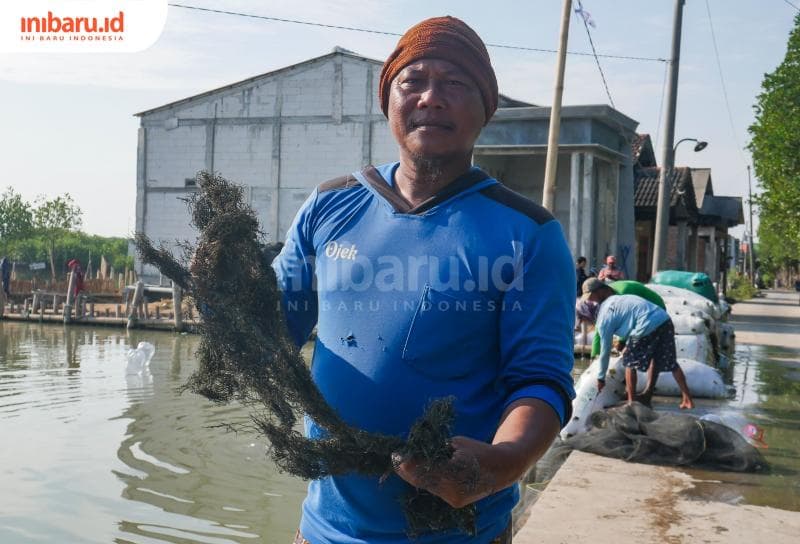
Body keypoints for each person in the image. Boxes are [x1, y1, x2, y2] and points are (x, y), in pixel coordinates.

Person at [273, 16, 576, 544]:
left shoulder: (527, 233)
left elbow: (541, 381)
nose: (431, 98)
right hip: (324, 530)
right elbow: (275, 329)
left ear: (485, 109)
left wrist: (504, 461)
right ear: (388, 100)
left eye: (455, 84)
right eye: (413, 81)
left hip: (456, 531)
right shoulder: (329, 205)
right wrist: (225, 293)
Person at [579, 278, 694, 410]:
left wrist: (600, 378)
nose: (591, 300)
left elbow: (605, 351)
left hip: (647, 322)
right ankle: (688, 400)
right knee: (672, 362)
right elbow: (630, 318)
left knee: (628, 362)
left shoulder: (604, 317)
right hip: (664, 319)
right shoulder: (615, 298)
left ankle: (631, 404)